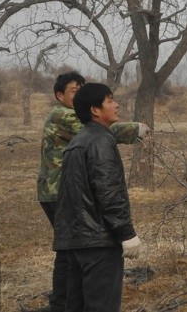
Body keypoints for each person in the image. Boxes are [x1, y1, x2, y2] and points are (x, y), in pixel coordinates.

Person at [36, 72, 143, 312]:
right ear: (95, 110)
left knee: (76, 302)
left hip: (78, 239)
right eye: (110, 101)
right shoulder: (99, 141)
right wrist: (126, 234)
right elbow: (109, 193)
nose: (116, 105)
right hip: (98, 241)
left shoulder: (77, 142)